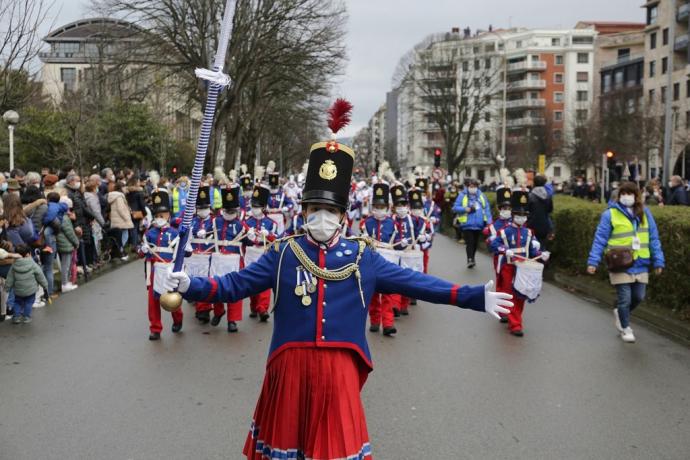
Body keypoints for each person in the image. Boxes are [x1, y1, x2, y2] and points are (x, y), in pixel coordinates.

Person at [160, 113, 513, 459]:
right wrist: (190, 284)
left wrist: (471, 297)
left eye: (330, 210)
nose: (322, 218)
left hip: (340, 370)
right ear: (303, 212)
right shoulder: (283, 253)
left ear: (343, 216)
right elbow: (232, 286)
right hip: (290, 367)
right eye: (315, 208)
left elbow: (416, 282)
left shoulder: (363, 256)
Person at [587, 181, 665, 343]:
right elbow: (600, 239)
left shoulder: (645, 213)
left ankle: (620, 312)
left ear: (636, 196)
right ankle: (625, 327)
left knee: (638, 296)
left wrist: (658, 261)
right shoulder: (610, 214)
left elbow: (653, 238)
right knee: (625, 298)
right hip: (620, 262)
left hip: (641, 261)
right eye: (624, 194)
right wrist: (593, 261)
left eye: (630, 194)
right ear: (619, 196)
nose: (627, 197)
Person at [489, 190, 546, 336]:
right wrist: (504, 249)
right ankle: (515, 324)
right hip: (508, 266)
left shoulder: (529, 233)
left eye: (523, 216)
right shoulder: (505, 231)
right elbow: (493, 245)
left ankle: (515, 319)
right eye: (518, 215)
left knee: (521, 295)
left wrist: (541, 255)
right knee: (510, 293)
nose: (521, 218)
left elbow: (532, 252)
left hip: (524, 268)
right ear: (513, 216)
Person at [139, 189, 184, 340]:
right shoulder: (149, 233)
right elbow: (141, 253)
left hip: (169, 269)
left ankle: (178, 319)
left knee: (171, 298)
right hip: (154, 270)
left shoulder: (175, 232)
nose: (159, 218)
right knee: (153, 301)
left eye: (162, 215)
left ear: (168, 215)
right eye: (157, 215)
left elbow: (182, 254)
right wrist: (143, 250)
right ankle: (155, 328)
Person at [360, 182, 400, 336]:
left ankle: (388, 323)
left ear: (387, 207)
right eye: (376, 206)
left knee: (388, 293)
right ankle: (375, 321)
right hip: (371, 259)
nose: (379, 210)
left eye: (382, 207)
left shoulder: (392, 223)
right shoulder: (367, 222)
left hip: (388, 259)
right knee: (374, 293)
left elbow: (396, 244)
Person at [210, 185, 247, 332]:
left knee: (234, 290)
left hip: (234, 261)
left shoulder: (241, 225)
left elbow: (251, 240)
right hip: (218, 259)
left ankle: (233, 320)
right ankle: (218, 311)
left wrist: (252, 237)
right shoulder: (214, 222)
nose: (229, 213)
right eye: (227, 210)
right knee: (216, 288)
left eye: (232, 211)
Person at [242, 185, 278, 322]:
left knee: (264, 281)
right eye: (253, 206)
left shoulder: (271, 223)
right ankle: (254, 306)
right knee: (252, 281)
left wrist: (268, 234)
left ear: (263, 207)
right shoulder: (247, 222)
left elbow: (278, 238)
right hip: (250, 253)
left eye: (257, 206)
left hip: (264, 253)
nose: (254, 208)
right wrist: (247, 238)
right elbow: (241, 240)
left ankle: (263, 308)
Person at [189, 186, 217, 324]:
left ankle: (204, 310)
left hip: (208, 255)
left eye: (204, 208)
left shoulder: (214, 221)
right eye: (199, 208)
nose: (202, 210)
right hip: (194, 256)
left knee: (205, 283)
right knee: (195, 282)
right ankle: (200, 308)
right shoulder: (193, 220)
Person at [452, 178, 492, 268]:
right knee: (470, 242)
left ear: (477, 187)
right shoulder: (462, 195)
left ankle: (472, 258)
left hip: (479, 224)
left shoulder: (482, 196)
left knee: (475, 243)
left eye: (474, 186)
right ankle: (470, 259)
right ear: (467, 187)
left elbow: (487, 209)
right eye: (470, 186)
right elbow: (455, 207)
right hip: (467, 224)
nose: (472, 188)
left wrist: (489, 222)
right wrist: (466, 209)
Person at [6, 244, 48, 324]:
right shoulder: (33, 264)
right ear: (28, 254)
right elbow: (40, 275)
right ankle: (26, 317)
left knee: (17, 302)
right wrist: (45, 285)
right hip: (30, 290)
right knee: (29, 303)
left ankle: (16, 317)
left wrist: (7, 288)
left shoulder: (14, 265)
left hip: (18, 290)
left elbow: (10, 278)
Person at [56, 197, 79, 293]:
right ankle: (64, 284)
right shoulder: (64, 218)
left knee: (67, 264)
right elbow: (69, 232)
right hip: (66, 243)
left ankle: (66, 282)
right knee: (66, 264)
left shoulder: (61, 216)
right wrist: (76, 242)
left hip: (64, 242)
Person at [107, 181, 134, 261]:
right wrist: (127, 218)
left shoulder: (115, 196)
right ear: (121, 188)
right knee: (124, 236)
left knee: (120, 237)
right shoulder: (119, 197)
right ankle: (118, 251)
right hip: (121, 220)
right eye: (124, 187)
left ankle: (117, 251)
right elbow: (120, 209)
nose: (126, 188)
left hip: (117, 220)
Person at [527, 175, 554, 251]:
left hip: (531, 225)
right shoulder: (548, 196)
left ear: (534, 183)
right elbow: (550, 210)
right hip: (544, 226)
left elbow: (526, 210)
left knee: (530, 247)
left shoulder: (530, 196)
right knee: (542, 247)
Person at [126, 177, 147, 250]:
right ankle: (136, 245)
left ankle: (132, 244)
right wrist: (145, 213)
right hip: (137, 212)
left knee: (132, 229)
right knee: (136, 229)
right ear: (135, 183)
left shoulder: (127, 192)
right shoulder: (139, 193)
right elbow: (142, 204)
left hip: (129, 211)